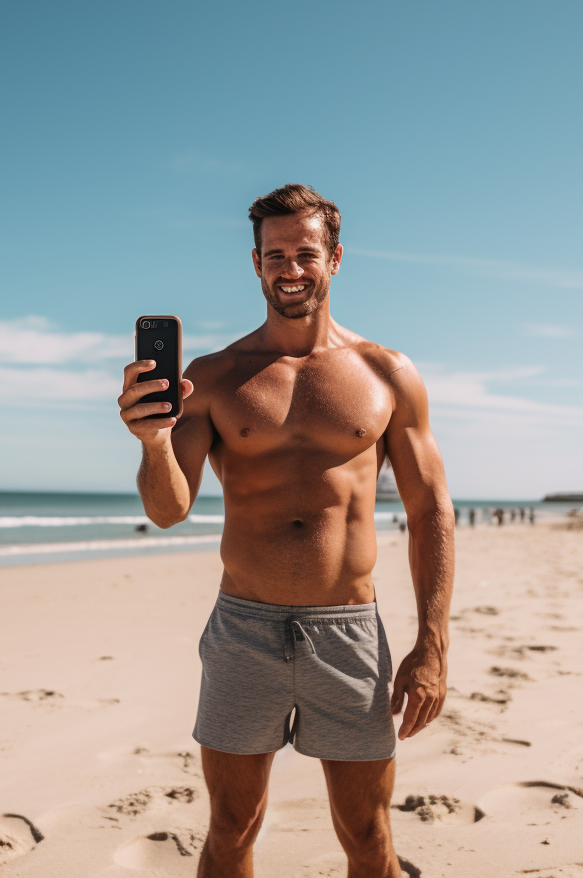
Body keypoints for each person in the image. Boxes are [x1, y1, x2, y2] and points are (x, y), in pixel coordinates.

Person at [118, 184, 455, 878]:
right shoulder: (212, 378)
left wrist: (432, 645)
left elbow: (430, 513)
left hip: (349, 629)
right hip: (244, 629)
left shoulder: (387, 373)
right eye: (277, 255)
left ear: (335, 258)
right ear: (255, 263)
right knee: (232, 828)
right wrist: (153, 442)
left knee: (366, 834)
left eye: (306, 252)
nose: (291, 268)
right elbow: (167, 509)